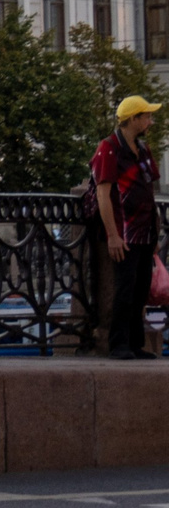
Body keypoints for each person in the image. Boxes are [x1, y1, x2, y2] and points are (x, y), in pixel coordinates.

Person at [95, 94, 160, 360]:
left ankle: (135, 343)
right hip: (124, 232)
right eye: (146, 116)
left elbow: (149, 190)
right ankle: (118, 344)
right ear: (133, 119)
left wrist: (155, 230)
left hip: (144, 230)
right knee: (124, 288)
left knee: (141, 288)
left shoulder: (142, 149)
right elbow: (103, 193)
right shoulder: (108, 148)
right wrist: (112, 235)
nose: (150, 121)